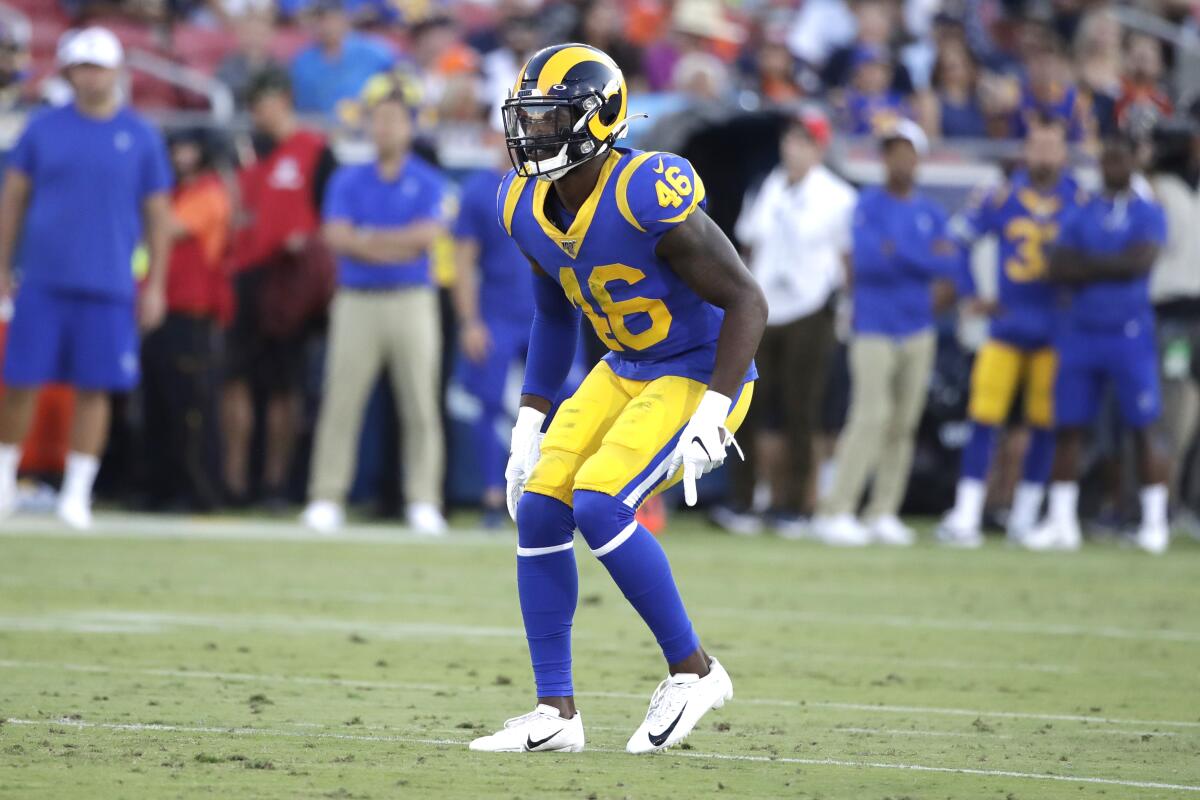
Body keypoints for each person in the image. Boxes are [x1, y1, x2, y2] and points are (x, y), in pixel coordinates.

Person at [468, 43, 766, 755]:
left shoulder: (645, 189)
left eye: (550, 119)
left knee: (601, 501)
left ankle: (696, 670)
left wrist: (714, 411)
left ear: (598, 120)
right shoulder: (522, 202)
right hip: (625, 364)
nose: (532, 134)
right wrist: (530, 419)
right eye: (527, 119)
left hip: (699, 369)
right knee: (540, 504)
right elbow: (553, 311)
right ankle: (556, 713)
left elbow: (747, 301)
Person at [0, 27, 172, 528]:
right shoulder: (42, 129)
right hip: (45, 279)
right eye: (81, 66)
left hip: (110, 281)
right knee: (20, 380)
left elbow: (158, 216)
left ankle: (78, 491)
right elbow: (14, 201)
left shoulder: (140, 136)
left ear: (116, 70)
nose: (89, 76)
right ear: (68, 70)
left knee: (96, 387)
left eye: (97, 66)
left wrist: (155, 283)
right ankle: (5, 480)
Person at [300, 74, 449, 536]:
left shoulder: (426, 179)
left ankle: (424, 499)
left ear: (409, 127)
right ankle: (327, 496)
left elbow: (427, 236)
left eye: (393, 120)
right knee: (341, 401)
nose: (384, 128)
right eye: (378, 120)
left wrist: (367, 239)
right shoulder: (347, 178)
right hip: (357, 301)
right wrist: (391, 244)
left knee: (420, 404)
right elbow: (336, 237)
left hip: (411, 299)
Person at [937, 116, 1084, 547]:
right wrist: (970, 294)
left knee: (1045, 422)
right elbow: (957, 239)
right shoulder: (1001, 194)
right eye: (1036, 145)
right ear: (1026, 149)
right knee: (984, 416)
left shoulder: (1079, 196)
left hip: (1056, 327)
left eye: (1050, 145)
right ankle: (966, 512)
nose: (1042, 154)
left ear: (1063, 151)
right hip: (1007, 323)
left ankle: (1025, 514)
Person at [812, 120, 958, 547]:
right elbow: (870, 262)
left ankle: (882, 511)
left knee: (904, 423)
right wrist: (920, 260)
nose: (900, 160)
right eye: (893, 152)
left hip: (918, 326)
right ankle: (836, 508)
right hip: (873, 324)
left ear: (917, 158)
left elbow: (949, 269)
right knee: (868, 416)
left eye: (907, 152)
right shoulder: (867, 205)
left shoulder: (930, 212)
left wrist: (904, 256)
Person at [1026, 133, 1169, 553]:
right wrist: (1113, 265)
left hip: (1129, 332)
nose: (1113, 167)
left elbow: (1141, 261)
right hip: (1081, 332)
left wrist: (1087, 267)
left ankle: (1155, 522)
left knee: (1144, 426)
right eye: (1107, 159)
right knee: (1068, 425)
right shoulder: (1082, 212)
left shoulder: (1147, 211)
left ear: (1133, 162)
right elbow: (1056, 266)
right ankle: (1061, 521)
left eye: (1120, 159)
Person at [717, 107, 854, 536]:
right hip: (765, 308)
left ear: (819, 148)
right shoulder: (769, 186)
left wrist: (844, 307)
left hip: (812, 308)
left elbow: (847, 261)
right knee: (747, 407)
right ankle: (745, 500)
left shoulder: (838, 196)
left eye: (803, 141)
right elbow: (749, 247)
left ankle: (795, 506)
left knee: (801, 411)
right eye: (790, 139)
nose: (792, 148)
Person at [223, 68, 336, 506]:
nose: (259, 111)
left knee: (285, 387)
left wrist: (309, 250)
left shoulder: (316, 151)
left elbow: (331, 218)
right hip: (243, 277)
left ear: (284, 99)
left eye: (266, 100)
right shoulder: (242, 152)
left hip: (291, 282)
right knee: (235, 381)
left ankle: (275, 484)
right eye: (254, 104)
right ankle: (233, 483)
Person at [140, 128, 232, 512]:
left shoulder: (208, 193)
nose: (182, 156)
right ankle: (157, 487)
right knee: (156, 403)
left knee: (190, 408)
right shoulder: (173, 195)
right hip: (159, 309)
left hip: (192, 313)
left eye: (190, 148)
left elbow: (169, 228)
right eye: (176, 148)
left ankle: (196, 489)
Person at [451, 129, 534, 529]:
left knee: (567, 402)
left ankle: (552, 492)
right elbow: (462, 261)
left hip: (544, 311)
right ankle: (490, 494)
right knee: (487, 403)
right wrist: (470, 321)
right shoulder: (478, 191)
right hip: (496, 311)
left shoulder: (546, 183)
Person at [288, 0, 395, 117]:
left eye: (331, 19)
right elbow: (300, 108)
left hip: (366, 128)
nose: (326, 26)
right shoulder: (303, 63)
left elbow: (395, 89)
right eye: (320, 20)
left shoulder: (375, 53)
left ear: (344, 19)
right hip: (319, 129)